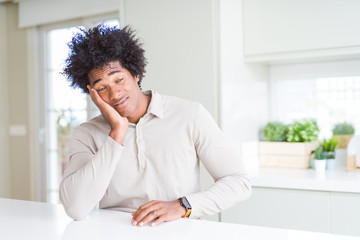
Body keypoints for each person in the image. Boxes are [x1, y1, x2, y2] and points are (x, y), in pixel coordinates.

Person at [60, 24, 251, 227]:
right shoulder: (87, 133)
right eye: (102, 88)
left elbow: (238, 181)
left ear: (135, 74)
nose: (114, 94)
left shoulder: (189, 114)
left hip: (181, 231)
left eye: (119, 80)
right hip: (116, 233)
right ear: (93, 94)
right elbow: (76, 208)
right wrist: (116, 134)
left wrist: (183, 206)